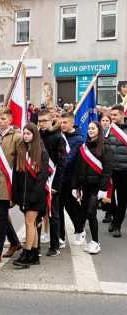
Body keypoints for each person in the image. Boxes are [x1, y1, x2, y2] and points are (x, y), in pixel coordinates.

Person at [72, 121, 112, 254]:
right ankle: (81, 232)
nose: (90, 130)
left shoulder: (105, 147)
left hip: (97, 187)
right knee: (83, 211)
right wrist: (75, 186)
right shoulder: (83, 147)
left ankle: (95, 242)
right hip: (85, 186)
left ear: (99, 130)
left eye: (93, 128)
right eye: (89, 128)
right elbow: (77, 168)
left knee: (91, 212)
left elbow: (107, 170)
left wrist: (103, 189)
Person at [12, 123, 49, 267]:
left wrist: (34, 195)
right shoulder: (21, 150)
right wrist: (15, 194)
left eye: (28, 133)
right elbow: (17, 174)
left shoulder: (41, 152)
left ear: (34, 135)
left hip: (36, 196)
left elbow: (42, 177)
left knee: (29, 223)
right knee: (31, 224)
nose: (26, 136)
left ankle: (27, 254)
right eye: (24, 133)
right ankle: (34, 254)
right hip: (23, 195)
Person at [0, 108, 22, 264]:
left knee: (1, 217)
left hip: (7, 183)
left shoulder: (17, 137)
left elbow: (21, 161)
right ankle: (14, 242)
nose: (0, 121)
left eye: (3, 119)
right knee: (0, 215)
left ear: (10, 120)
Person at [38, 110, 67, 257]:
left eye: (44, 120)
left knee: (53, 214)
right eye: (40, 121)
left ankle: (54, 245)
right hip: (38, 181)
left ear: (51, 120)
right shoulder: (37, 136)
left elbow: (62, 164)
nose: (42, 123)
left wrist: (55, 185)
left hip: (52, 181)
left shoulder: (58, 138)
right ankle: (34, 245)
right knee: (37, 213)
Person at [59, 112, 85, 246]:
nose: (62, 125)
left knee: (71, 207)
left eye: (65, 123)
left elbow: (69, 160)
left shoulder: (78, 139)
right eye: (61, 122)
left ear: (71, 122)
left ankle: (80, 230)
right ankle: (60, 237)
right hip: (58, 178)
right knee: (58, 208)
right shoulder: (59, 136)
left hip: (71, 179)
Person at [106, 104, 127, 237]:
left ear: (122, 115)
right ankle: (114, 219)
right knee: (110, 198)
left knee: (122, 198)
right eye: (111, 115)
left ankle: (117, 225)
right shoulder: (109, 129)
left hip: (125, 170)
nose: (112, 118)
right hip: (111, 170)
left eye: (115, 115)